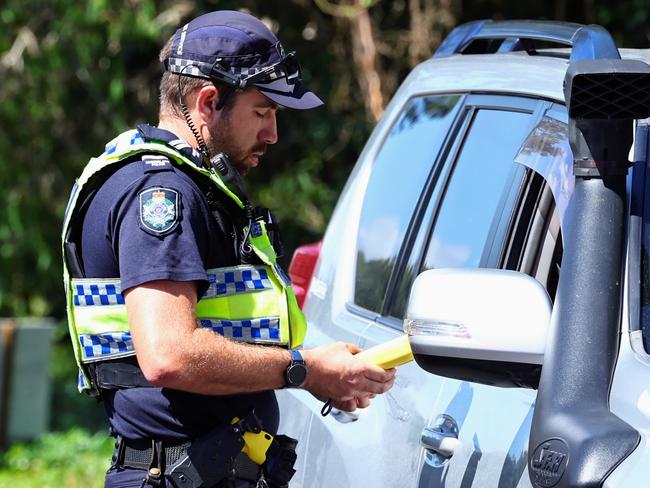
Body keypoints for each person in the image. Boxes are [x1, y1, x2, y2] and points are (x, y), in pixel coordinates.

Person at [61, 10, 395, 488]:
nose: (272, 134)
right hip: (181, 474)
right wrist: (305, 370)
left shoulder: (192, 183)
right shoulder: (161, 193)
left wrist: (315, 363)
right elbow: (169, 354)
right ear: (209, 101)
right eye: (262, 112)